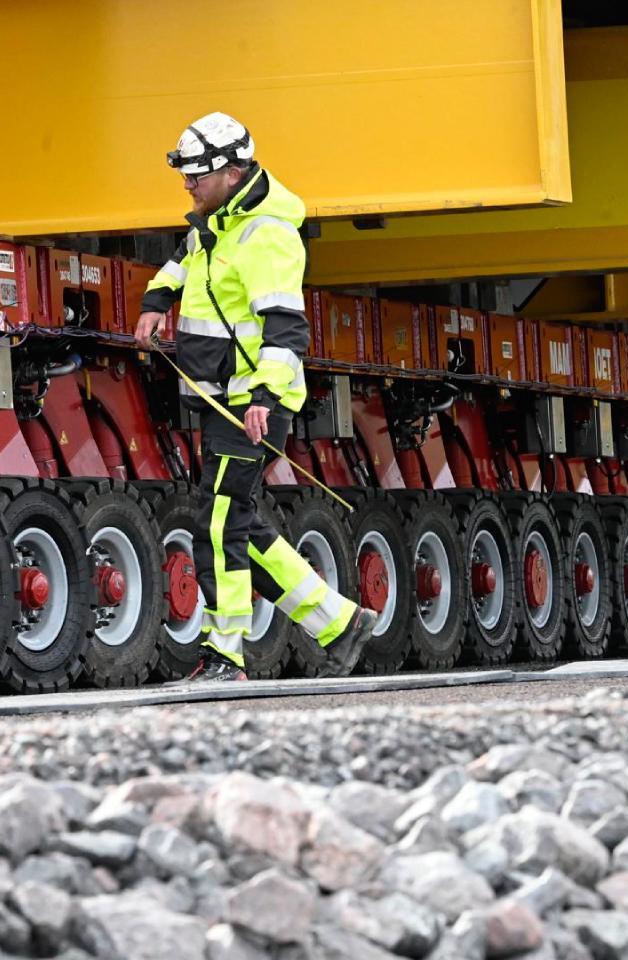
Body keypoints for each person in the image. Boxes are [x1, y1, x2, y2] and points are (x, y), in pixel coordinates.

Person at [135, 112, 376, 681]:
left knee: (218, 523)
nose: (188, 185)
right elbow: (183, 261)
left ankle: (226, 652)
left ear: (233, 170)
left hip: (251, 406)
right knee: (237, 519)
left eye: (196, 175)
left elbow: (285, 327)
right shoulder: (214, 223)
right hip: (223, 398)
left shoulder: (266, 234)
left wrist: (263, 397)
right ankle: (340, 624)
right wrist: (154, 302)